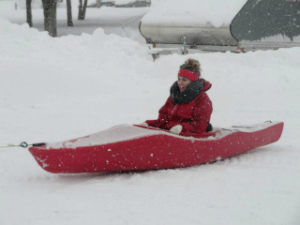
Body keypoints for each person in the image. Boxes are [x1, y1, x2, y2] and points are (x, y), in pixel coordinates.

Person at [141, 58, 213, 135]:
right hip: (169, 136)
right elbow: (162, 121)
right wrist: (148, 124)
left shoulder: (202, 98)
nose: (180, 83)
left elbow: (200, 125)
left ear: (193, 82)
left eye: (184, 80)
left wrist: (181, 128)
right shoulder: (175, 96)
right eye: (179, 79)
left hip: (188, 138)